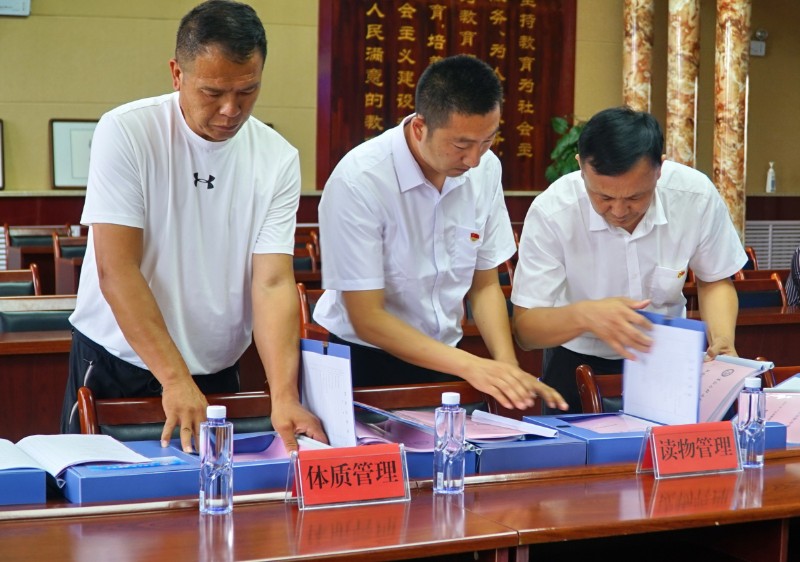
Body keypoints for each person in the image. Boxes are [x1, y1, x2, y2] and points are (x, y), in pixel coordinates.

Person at [60, 0, 326, 452]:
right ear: (176, 74)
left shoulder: (277, 158)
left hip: (216, 369)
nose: (230, 109)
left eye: (247, 91)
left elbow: (272, 282)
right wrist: (174, 378)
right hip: (117, 363)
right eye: (212, 92)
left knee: (219, 490)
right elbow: (116, 269)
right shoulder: (128, 132)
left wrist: (284, 396)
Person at [313, 54, 567, 413]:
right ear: (420, 127)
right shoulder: (359, 180)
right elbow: (366, 317)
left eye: (487, 141)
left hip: (447, 358)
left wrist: (506, 364)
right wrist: (471, 366)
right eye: (461, 145)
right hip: (365, 359)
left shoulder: (485, 170)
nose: (474, 160)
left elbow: (484, 285)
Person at [512, 106, 747, 413]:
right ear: (581, 166)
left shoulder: (694, 196)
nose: (619, 211)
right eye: (604, 197)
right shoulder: (552, 212)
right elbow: (526, 330)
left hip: (667, 358)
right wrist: (586, 316)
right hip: (575, 362)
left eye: (636, 197)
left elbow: (714, 278)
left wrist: (723, 341)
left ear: (659, 169)